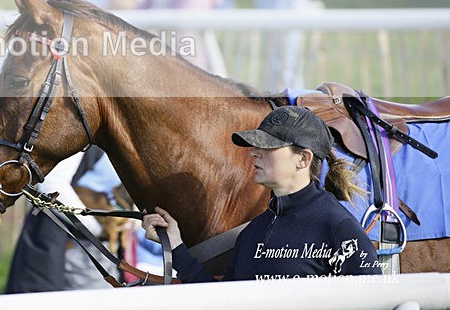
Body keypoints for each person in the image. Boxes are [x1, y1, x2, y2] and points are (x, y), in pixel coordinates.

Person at [142, 106, 383, 282]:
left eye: (268, 146)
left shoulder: (338, 227)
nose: (254, 153)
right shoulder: (252, 233)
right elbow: (220, 302)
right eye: (256, 146)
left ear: (303, 159)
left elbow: (375, 300)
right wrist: (174, 245)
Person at [5, 147, 127, 292]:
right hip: (65, 242)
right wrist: (96, 229)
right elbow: (51, 185)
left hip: (102, 245)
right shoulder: (86, 142)